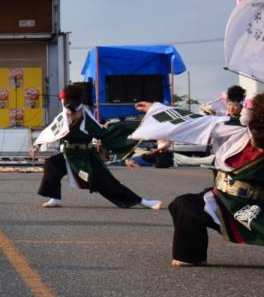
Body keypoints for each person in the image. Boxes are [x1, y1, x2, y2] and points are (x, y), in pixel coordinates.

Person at [130, 96, 264, 266]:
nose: (243, 109)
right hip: (223, 200)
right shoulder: (233, 127)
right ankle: (190, 255)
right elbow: (193, 121)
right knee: (186, 206)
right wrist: (154, 108)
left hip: (257, 205)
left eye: (248, 108)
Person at [31, 82, 161, 210]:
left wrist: (127, 157)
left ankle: (142, 201)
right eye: (69, 114)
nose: (72, 116)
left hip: (85, 156)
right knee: (52, 164)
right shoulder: (63, 118)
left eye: (75, 114)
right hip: (69, 154)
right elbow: (49, 132)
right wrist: (36, 146)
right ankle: (55, 198)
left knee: (106, 182)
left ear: (80, 110)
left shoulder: (88, 122)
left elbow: (108, 137)